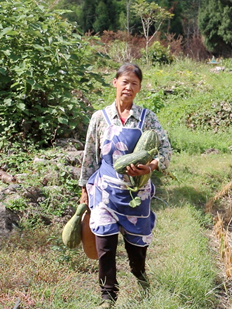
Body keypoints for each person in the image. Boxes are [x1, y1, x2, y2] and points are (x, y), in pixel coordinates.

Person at [78, 63, 172, 308]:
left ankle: (140, 275)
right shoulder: (99, 118)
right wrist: (83, 191)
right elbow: (90, 156)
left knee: (136, 248)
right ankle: (108, 296)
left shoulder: (146, 118)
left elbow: (166, 150)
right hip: (104, 192)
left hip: (136, 194)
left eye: (134, 83)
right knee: (105, 244)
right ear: (115, 82)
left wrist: (150, 167)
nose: (128, 87)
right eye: (124, 82)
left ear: (139, 88)